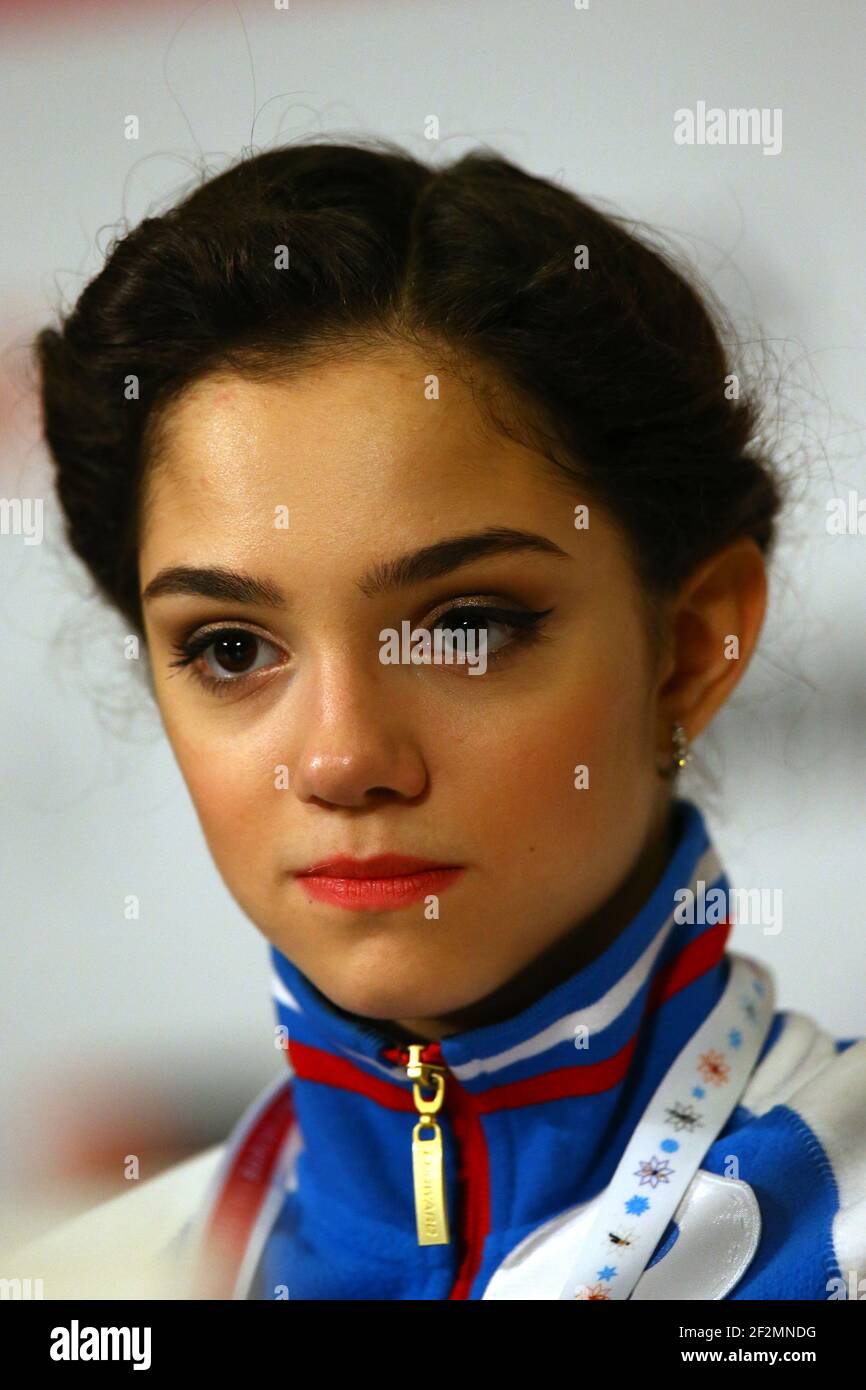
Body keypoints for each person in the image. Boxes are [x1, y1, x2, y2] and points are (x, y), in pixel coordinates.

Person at [17, 137, 865, 1300]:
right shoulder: (82, 1298)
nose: (341, 756)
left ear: (686, 650)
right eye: (230, 648)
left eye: (464, 626)